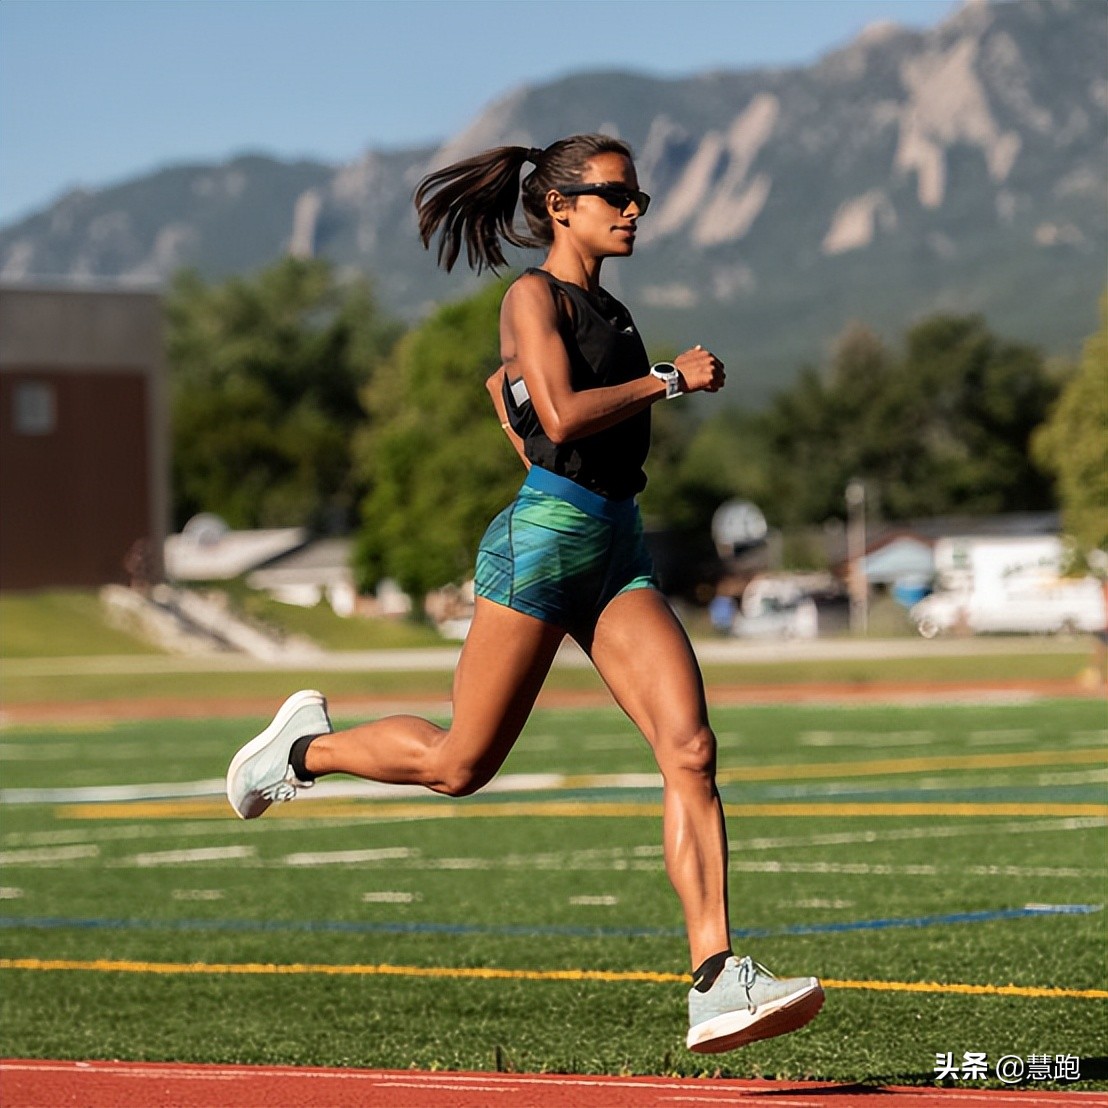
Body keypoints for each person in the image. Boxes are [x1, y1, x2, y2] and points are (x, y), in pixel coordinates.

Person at [226, 133, 824, 1053]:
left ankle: (715, 979)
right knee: (460, 765)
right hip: (545, 542)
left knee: (692, 749)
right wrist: (668, 379)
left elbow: (501, 393)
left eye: (640, 198)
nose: (634, 210)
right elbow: (557, 413)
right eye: (616, 194)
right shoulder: (529, 295)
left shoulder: (609, 311)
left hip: (616, 546)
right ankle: (301, 754)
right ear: (560, 205)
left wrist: (573, 406)